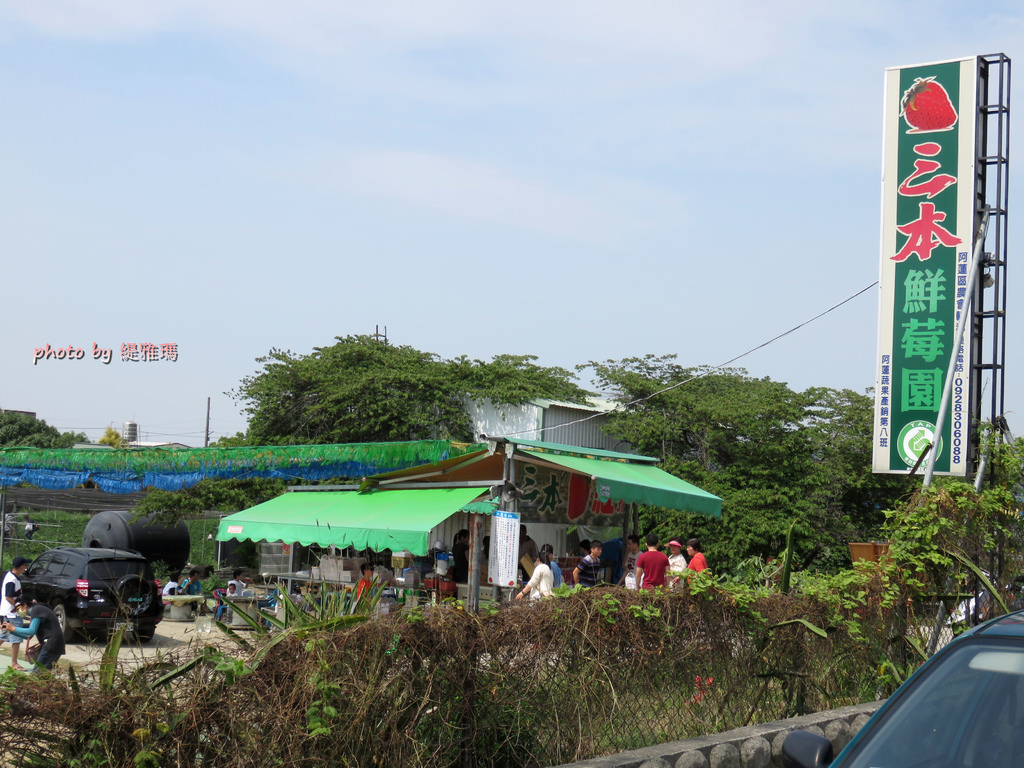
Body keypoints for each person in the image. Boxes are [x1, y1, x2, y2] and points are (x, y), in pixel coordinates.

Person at [3, 597, 64, 674]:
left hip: (51, 644)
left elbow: (31, 631)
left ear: (25, 605)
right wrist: (11, 631)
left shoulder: (36, 610)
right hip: (56, 644)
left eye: (18, 608)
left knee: (37, 674)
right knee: (46, 675)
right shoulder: (36, 612)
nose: (18, 612)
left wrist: (14, 628)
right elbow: (28, 637)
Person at [0, 557, 31, 670]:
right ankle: (14, 663)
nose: (26, 567)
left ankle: (14, 662)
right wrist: (19, 608)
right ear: (21, 566)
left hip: (7, 612)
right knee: (16, 638)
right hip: (11, 614)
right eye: (25, 565)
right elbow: (8, 597)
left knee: (3, 636)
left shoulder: (14, 577)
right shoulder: (11, 580)